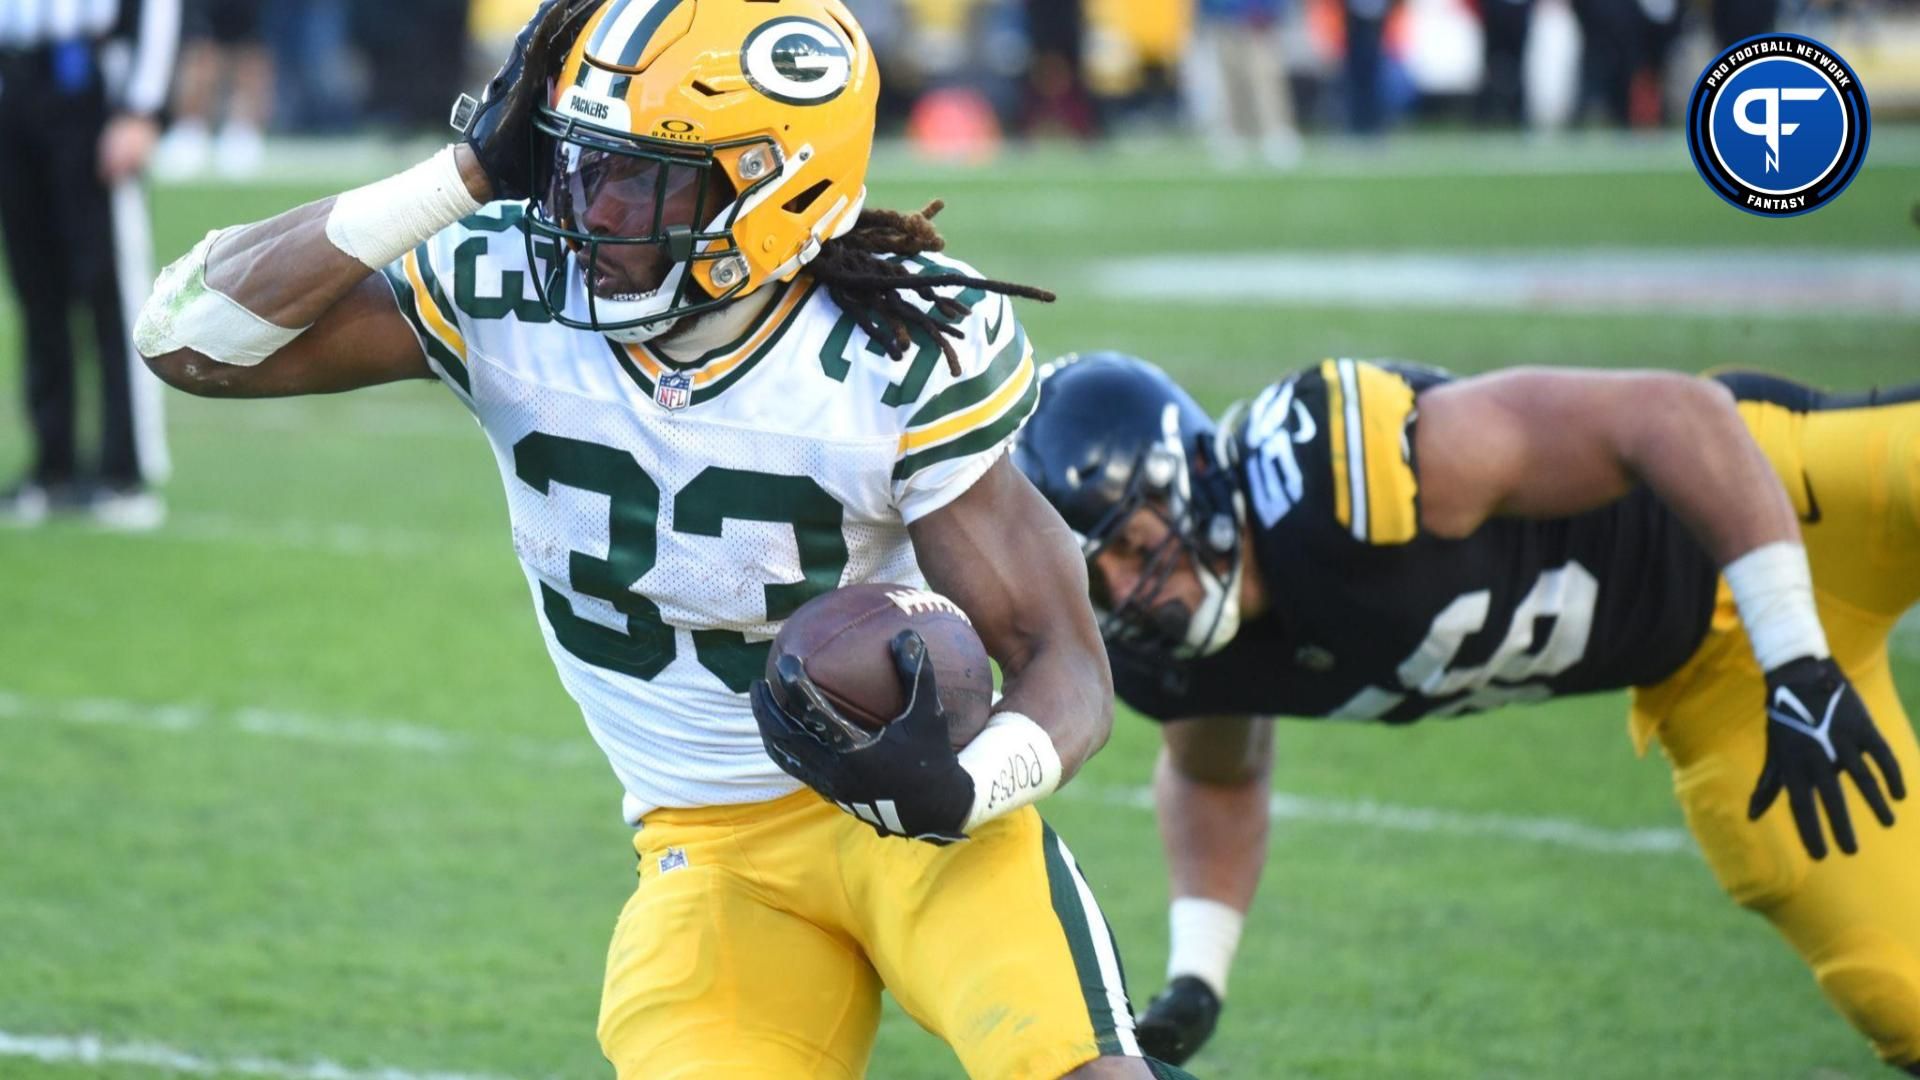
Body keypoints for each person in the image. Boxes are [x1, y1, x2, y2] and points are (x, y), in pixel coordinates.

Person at [135, 2, 1194, 1077]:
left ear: (780, 192)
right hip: (710, 855)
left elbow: (1068, 667)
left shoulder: (892, 348)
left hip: (927, 836)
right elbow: (183, 337)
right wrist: (459, 175)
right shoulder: (509, 281)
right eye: (576, 162)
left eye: (639, 176)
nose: (589, 207)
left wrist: (964, 788)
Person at [1014, 352, 1920, 1071]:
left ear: (1190, 473)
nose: (1131, 591)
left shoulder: (1330, 478)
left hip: (1779, 498)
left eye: (1130, 542)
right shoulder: (1171, 657)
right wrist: (1196, 985)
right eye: (1098, 578)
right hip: (1711, 679)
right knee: (1903, 997)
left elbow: (1673, 415)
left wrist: (1795, 654)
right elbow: (1217, 771)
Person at [0, 0, 178, 528]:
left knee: (110, 288)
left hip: (89, 84)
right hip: (14, 82)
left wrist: (143, 109)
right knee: (35, 288)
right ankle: (52, 465)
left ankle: (125, 469)